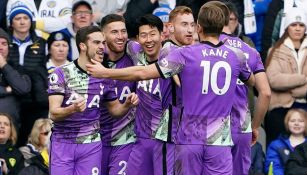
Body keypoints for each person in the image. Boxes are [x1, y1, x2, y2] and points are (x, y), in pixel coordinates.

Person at [86, 2, 255, 174]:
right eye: (184, 24)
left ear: (199, 27)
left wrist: (105, 73)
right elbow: (254, 83)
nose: (189, 29)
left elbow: (144, 73)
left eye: (191, 25)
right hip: (210, 137)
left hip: (181, 136)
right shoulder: (236, 55)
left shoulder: (185, 54)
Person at [48, 25, 139, 175]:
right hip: (63, 143)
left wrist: (127, 104)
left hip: (91, 145)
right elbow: (54, 113)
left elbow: (115, 110)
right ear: (82, 46)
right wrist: (73, 108)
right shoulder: (61, 73)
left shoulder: (105, 76)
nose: (102, 47)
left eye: (103, 43)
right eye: (97, 43)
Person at [212, 1, 271, 174]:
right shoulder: (250, 50)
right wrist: (255, 126)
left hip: (209, 127)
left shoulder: (202, 48)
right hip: (241, 126)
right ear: (234, 22)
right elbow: (266, 93)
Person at [7, 3, 49, 147]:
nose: (22, 21)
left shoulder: (42, 43)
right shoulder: (4, 43)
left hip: (34, 99)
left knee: (33, 138)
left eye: (26, 18)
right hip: (11, 96)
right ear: (11, 22)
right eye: (18, 18)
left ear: (31, 21)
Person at [99, 14, 136, 175]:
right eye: (114, 32)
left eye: (123, 31)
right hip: (96, 140)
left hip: (125, 139)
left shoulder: (135, 58)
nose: (121, 36)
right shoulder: (93, 63)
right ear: (103, 36)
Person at [264, 7, 307, 146]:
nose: (297, 28)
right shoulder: (275, 50)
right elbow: (274, 79)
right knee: (275, 125)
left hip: (305, 102)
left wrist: (301, 90)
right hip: (281, 106)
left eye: (301, 25)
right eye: (293, 25)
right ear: (287, 27)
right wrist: (301, 79)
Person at [0, 28, 31, 129]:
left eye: (4, 44)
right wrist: (6, 90)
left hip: (11, 128)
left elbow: (23, 89)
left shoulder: (17, 68)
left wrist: (3, 65)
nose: (0, 47)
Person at [264, 109, 307, 175]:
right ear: (287, 123)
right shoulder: (276, 145)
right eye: (292, 121)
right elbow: (273, 166)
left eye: (301, 121)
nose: (296, 123)